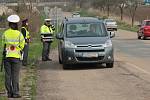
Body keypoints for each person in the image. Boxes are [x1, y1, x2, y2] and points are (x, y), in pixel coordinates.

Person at [2, 15, 25, 98]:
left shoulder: (5, 33)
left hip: (7, 56)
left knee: (8, 75)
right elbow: (22, 45)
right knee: (15, 76)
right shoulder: (19, 34)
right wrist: (19, 49)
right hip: (16, 57)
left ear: (9, 24)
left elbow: (3, 44)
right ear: (16, 24)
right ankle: (15, 93)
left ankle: (9, 93)